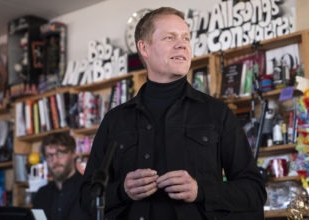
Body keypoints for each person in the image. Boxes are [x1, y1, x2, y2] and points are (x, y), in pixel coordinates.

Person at [80, 7, 267, 220]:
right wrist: (122, 191)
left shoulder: (217, 114)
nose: (182, 44)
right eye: (170, 37)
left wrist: (201, 191)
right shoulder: (115, 120)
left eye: (186, 38)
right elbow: (86, 196)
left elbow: (254, 190)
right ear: (144, 48)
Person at [33, 132, 89, 220]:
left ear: (73, 153)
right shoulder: (41, 195)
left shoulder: (88, 189)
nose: (54, 160)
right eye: (49, 155)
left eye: (60, 153)